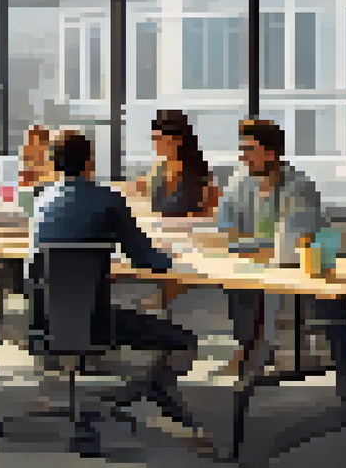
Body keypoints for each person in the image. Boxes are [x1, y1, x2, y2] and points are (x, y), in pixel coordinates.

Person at [29, 131, 212, 447]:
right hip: (93, 321)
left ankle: (127, 392)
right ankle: (148, 390)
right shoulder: (107, 199)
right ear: (90, 161)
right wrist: (177, 257)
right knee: (184, 341)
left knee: (90, 314)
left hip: (43, 319)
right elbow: (147, 260)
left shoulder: (42, 197)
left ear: (53, 162)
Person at [218, 119, 346, 401]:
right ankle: (253, 355)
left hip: (308, 260)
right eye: (242, 149)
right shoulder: (239, 181)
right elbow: (224, 228)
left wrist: (250, 242)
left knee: (330, 298)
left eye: (249, 150)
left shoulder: (299, 186)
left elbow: (295, 243)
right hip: (257, 262)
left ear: (271, 153)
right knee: (238, 285)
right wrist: (255, 245)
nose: (243, 157)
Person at [133, 110, 219, 217]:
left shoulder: (200, 174)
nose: (155, 144)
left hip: (190, 230)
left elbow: (211, 215)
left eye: (159, 139)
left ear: (178, 140)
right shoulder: (158, 169)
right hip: (158, 230)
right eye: (153, 139)